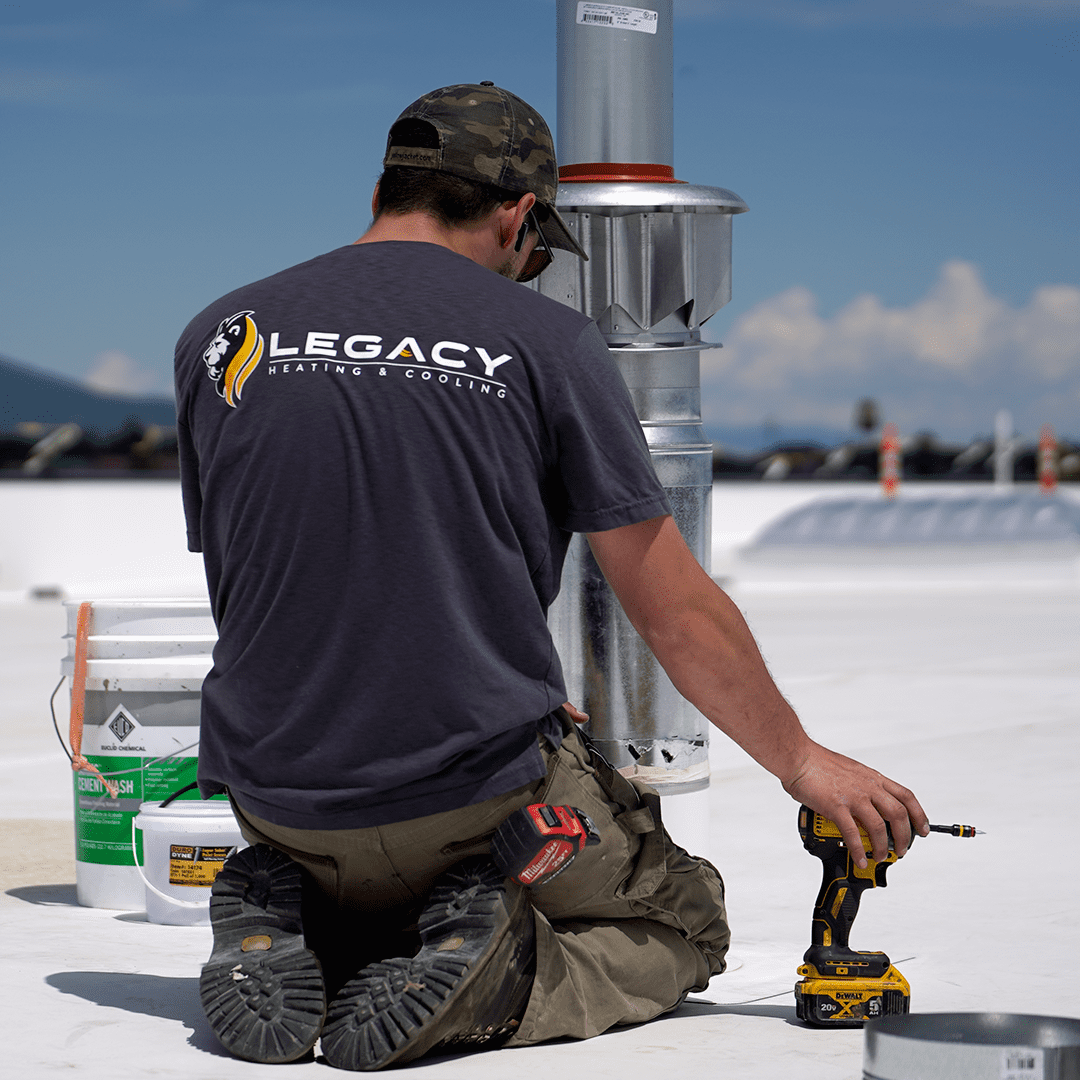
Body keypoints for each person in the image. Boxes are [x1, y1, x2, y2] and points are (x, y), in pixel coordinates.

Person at [174, 82, 927, 1071]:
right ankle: (492, 978)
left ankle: (299, 917)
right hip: (462, 802)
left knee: (379, 844)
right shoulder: (545, 342)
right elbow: (672, 604)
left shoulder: (222, 334)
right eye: (534, 254)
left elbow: (279, 574)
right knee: (688, 925)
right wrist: (801, 760)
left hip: (272, 797)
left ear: (384, 188)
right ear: (517, 214)